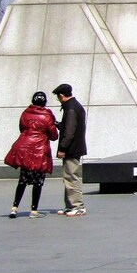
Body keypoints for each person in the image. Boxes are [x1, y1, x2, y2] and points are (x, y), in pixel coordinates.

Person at [4, 92, 58, 218]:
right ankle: (34, 210)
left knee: (22, 180)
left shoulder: (25, 113)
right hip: (40, 151)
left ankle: (14, 208)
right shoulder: (47, 116)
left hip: (25, 149)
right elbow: (54, 136)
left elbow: (22, 128)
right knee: (38, 181)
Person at [53, 83, 87, 217]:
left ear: (61, 96)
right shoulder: (74, 106)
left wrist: (62, 148)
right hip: (75, 147)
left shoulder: (71, 108)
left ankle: (78, 206)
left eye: (58, 97)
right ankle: (69, 205)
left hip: (72, 149)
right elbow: (68, 126)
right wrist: (57, 124)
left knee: (71, 177)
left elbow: (69, 131)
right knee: (68, 177)